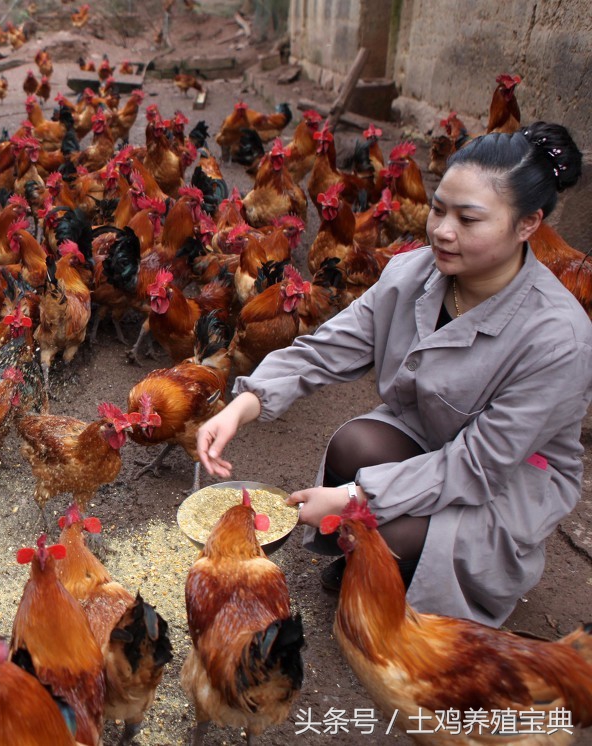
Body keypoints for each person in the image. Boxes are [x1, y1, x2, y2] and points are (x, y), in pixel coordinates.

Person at [195, 122, 591, 627]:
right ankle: (372, 561)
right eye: (440, 210)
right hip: (436, 435)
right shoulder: (414, 274)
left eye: (469, 220)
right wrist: (242, 406)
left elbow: (479, 463)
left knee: (388, 535)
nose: (443, 231)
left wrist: (356, 498)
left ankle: (415, 582)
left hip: (506, 478)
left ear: (528, 224)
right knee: (353, 446)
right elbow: (325, 349)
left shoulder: (558, 337)